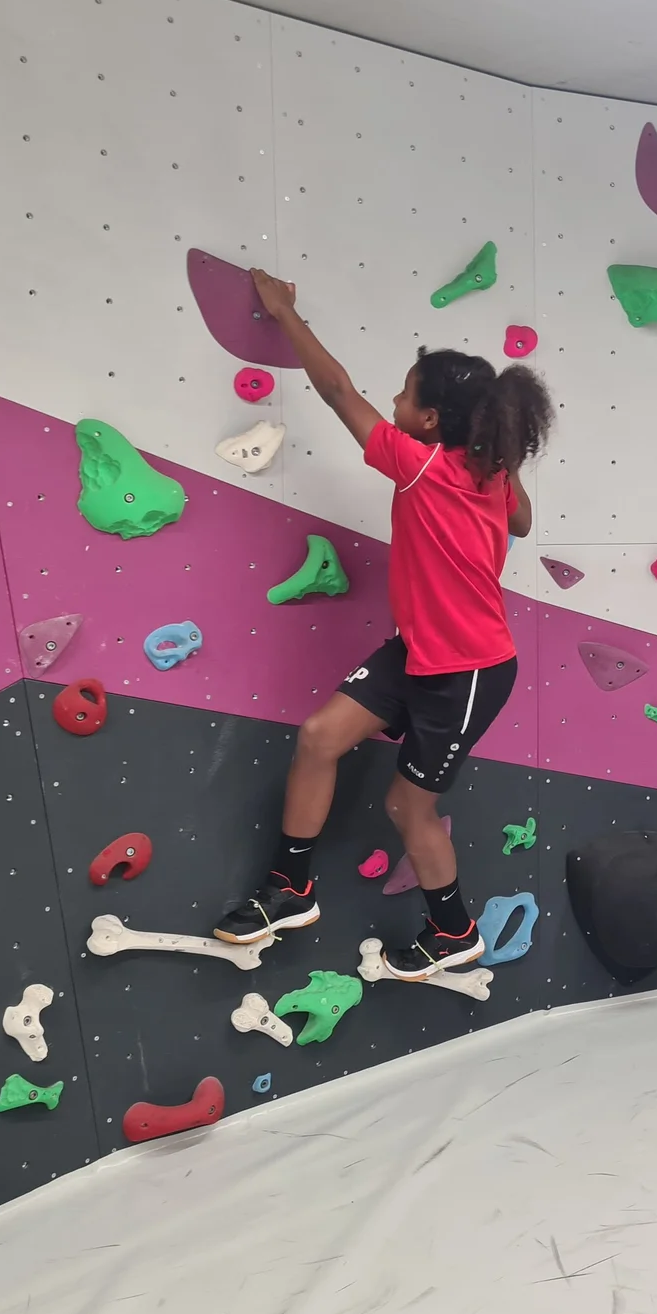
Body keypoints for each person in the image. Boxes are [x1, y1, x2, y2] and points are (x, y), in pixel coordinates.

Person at [211, 269, 552, 979]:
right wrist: (501, 459)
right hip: (419, 652)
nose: (392, 400)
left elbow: (337, 390)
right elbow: (522, 519)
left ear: (428, 421)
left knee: (407, 807)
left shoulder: (422, 466)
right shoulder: (483, 471)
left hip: (470, 672)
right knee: (318, 738)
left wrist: (284, 312)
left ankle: (452, 932)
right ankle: (289, 888)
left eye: (404, 393)